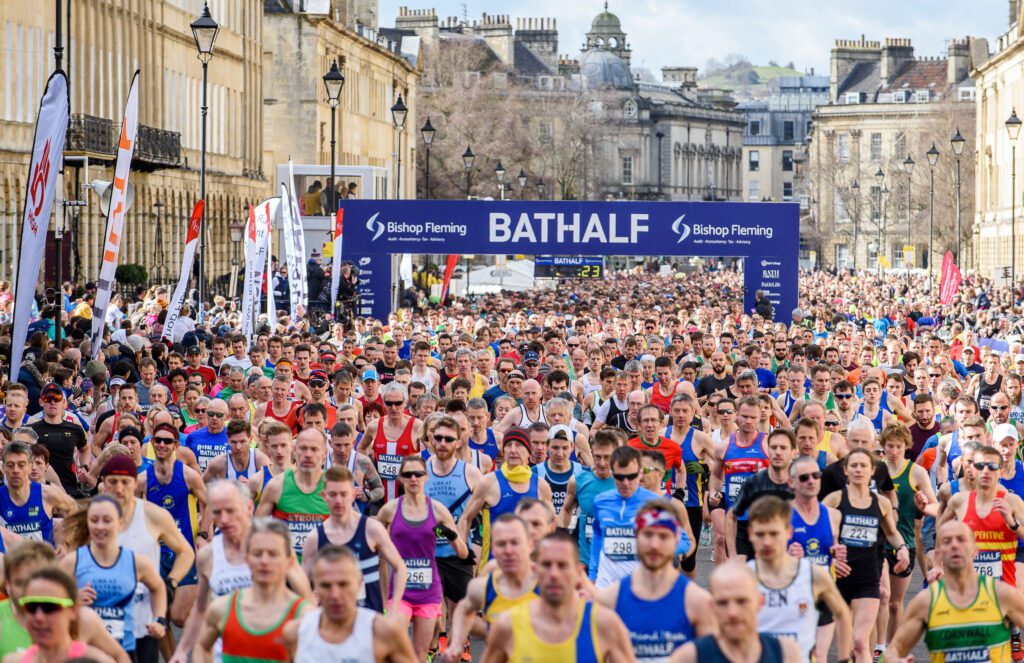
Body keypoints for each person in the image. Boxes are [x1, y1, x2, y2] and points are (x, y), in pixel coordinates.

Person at [170, 480, 312, 663]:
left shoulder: (271, 547)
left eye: (230, 511)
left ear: (249, 507)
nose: (224, 520)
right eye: (217, 512)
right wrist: (182, 650)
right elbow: (201, 609)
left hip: (269, 647)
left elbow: (305, 596)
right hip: (226, 653)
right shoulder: (208, 555)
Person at [481, 531, 635, 663]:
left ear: (578, 572)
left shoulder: (605, 624)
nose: (554, 574)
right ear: (534, 569)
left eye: (562, 565)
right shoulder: (507, 625)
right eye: (546, 565)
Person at [97, 453, 192, 663]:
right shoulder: (93, 517)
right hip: (105, 618)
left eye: (125, 482)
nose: (119, 489)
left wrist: (170, 582)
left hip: (143, 618)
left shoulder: (153, 515)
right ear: (104, 483)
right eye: (113, 482)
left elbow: (186, 552)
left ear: (135, 482)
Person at [884, 520, 1024, 662]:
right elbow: (893, 650)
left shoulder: (1002, 595)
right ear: (938, 554)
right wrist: (896, 660)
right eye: (947, 541)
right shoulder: (926, 602)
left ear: (975, 549)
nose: (955, 545)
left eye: (961, 540)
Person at [595, 501, 715, 661]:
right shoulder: (608, 601)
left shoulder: (698, 602)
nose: (654, 545)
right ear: (635, 537)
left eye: (663, 536)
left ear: (677, 539)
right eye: (648, 534)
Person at [822, 448, 910, 663]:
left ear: (873, 471)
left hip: (867, 578)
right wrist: (831, 558)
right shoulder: (834, 500)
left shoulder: (881, 503)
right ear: (845, 470)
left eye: (863, 466)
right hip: (837, 578)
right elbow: (817, 533)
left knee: (861, 643)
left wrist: (902, 548)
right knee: (842, 647)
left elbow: (891, 533)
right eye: (854, 465)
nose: (859, 470)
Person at [376, 456, 467, 660]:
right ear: (400, 478)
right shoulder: (390, 510)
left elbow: (462, 553)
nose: (413, 478)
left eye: (418, 474)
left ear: (426, 477)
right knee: (394, 646)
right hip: (400, 591)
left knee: (420, 654)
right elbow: (372, 544)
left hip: (428, 591)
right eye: (408, 474)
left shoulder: (438, 510)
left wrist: (451, 535)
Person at [746, 495, 853, 663]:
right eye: (760, 534)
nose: (767, 542)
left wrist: (844, 658)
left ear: (789, 532)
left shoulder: (814, 574)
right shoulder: (743, 577)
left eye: (774, 534)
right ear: (750, 533)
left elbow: (842, 613)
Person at [60, 496, 168, 657]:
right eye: (94, 520)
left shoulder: (136, 562)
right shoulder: (72, 561)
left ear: (120, 523)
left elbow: (158, 587)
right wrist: (71, 599)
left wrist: (159, 619)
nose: (100, 526)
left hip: (124, 650)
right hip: (86, 653)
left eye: (107, 520)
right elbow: (49, 599)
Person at [197, 518, 312, 662]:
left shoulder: (304, 616)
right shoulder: (221, 609)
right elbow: (202, 647)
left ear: (289, 561)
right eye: (257, 554)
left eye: (273, 554)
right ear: (247, 559)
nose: (264, 561)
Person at [283, 545, 417, 662]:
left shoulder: (384, 632)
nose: (335, 595)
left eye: (343, 584)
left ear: (359, 584)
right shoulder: (295, 633)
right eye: (326, 585)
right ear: (315, 586)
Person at [300, 466, 407, 613]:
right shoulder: (315, 538)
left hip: (368, 620)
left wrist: (393, 608)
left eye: (343, 494)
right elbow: (303, 583)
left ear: (352, 495)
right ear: (324, 496)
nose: (338, 500)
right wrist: (311, 604)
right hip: (332, 624)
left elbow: (400, 567)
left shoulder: (372, 529)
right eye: (333, 494)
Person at [0, 541, 129, 662]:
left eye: (50, 609)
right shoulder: (14, 659)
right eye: (32, 608)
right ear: (7, 584)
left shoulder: (85, 624)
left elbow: (119, 655)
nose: (39, 617)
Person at [442, 514, 538, 663]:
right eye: (501, 544)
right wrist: (456, 643)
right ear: (493, 547)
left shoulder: (548, 583)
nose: (508, 550)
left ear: (530, 545)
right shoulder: (486, 584)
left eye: (515, 542)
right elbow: (463, 609)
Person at [591, 446, 689, 588]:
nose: (626, 483)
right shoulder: (600, 501)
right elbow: (598, 535)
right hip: (605, 583)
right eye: (620, 477)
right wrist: (593, 574)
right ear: (612, 474)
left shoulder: (656, 503)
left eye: (631, 477)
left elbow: (684, 541)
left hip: (641, 584)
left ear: (640, 473)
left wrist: (659, 552)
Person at [669, 560, 801, 663]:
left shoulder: (785, 653)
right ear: (711, 606)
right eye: (722, 603)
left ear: (760, 602)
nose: (733, 613)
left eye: (742, 601)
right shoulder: (689, 657)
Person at [459, 427, 552, 567]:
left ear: (529, 451)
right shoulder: (488, 483)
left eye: (519, 445)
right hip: (494, 567)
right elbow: (465, 519)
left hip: (531, 568)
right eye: (508, 445)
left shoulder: (541, 486)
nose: (513, 450)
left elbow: (550, 526)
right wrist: (464, 554)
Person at [256, 428, 330, 561]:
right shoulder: (276, 486)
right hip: (285, 571)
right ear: (295, 451)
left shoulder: (333, 488)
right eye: (303, 448)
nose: (308, 454)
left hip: (323, 572)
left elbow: (347, 531)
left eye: (314, 449)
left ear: (325, 453)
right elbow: (257, 531)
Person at [726, 428, 796, 560]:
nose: (778, 452)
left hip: (790, 550)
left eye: (783, 448)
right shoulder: (754, 482)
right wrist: (733, 555)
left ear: (793, 452)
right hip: (756, 547)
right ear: (767, 450)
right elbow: (731, 517)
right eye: (773, 447)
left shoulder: (800, 482)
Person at [0, 441, 78, 544]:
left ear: (29, 466)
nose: (16, 470)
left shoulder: (47, 493)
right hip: (11, 559)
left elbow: (73, 509)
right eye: (10, 465)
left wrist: (65, 543)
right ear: (3, 468)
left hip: (45, 558)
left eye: (21, 465)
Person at [358, 383, 423, 503]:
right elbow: (361, 448)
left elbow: (431, 453)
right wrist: (368, 473)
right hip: (380, 494)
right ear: (383, 403)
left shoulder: (417, 426)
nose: (393, 407)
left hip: (408, 495)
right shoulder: (374, 426)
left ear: (405, 402)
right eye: (389, 403)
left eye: (398, 403)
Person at [202, 418, 270, 483]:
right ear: (228, 440)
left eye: (242, 442)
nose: (238, 447)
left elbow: (274, 491)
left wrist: (252, 486)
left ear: (250, 439)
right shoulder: (219, 463)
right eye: (234, 442)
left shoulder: (261, 461)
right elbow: (201, 487)